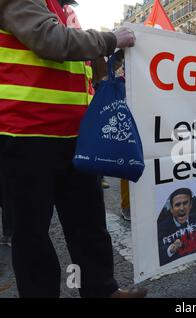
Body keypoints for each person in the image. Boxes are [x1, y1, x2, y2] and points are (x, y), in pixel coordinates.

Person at [0, 0, 147, 297]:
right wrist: (109, 39)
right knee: (32, 236)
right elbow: (50, 41)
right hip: (25, 136)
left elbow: (76, 58)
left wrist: (116, 54)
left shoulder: (62, 10)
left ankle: (102, 290)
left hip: (72, 136)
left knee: (89, 224)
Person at [157, 188, 196, 266]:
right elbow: (157, 249)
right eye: (177, 204)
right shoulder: (161, 228)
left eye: (185, 203)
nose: (182, 208)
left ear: (190, 205)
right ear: (171, 209)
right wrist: (171, 249)